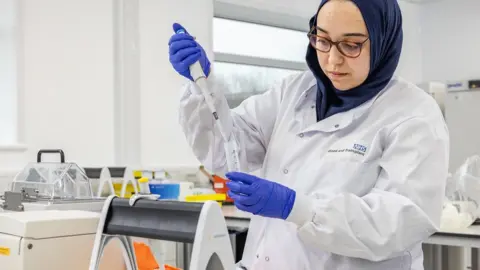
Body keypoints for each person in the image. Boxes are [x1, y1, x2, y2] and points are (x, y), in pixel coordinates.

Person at [168, 0, 449, 269]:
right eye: (322, 40)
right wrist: (201, 86)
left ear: (383, 41)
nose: (332, 60)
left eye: (350, 45)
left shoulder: (413, 115)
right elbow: (227, 152)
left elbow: (396, 224)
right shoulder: (293, 92)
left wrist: (297, 208)